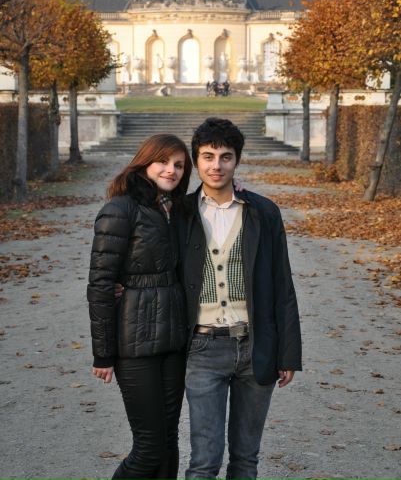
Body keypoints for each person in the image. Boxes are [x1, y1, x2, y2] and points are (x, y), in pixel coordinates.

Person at [178, 117, 302, 480]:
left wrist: (288, 354)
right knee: (204, 461)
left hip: (255, 346)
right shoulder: (180, 213)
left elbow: (282, 285)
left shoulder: (263, 212)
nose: (216, 165)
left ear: (237, 160)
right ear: (196, 160)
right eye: (208, 156)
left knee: (246, 460)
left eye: (226, 157)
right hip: (202, 349)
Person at [87, 134, 192, 480]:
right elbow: (101, 284)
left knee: (169, 440)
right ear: (145, 162)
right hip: (135, 343)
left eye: (179, 165)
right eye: (163, 161)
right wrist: (103, 354)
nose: (171, 170)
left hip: (173, 340)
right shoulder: (120, 209)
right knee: (148, 447)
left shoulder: (178, 210)